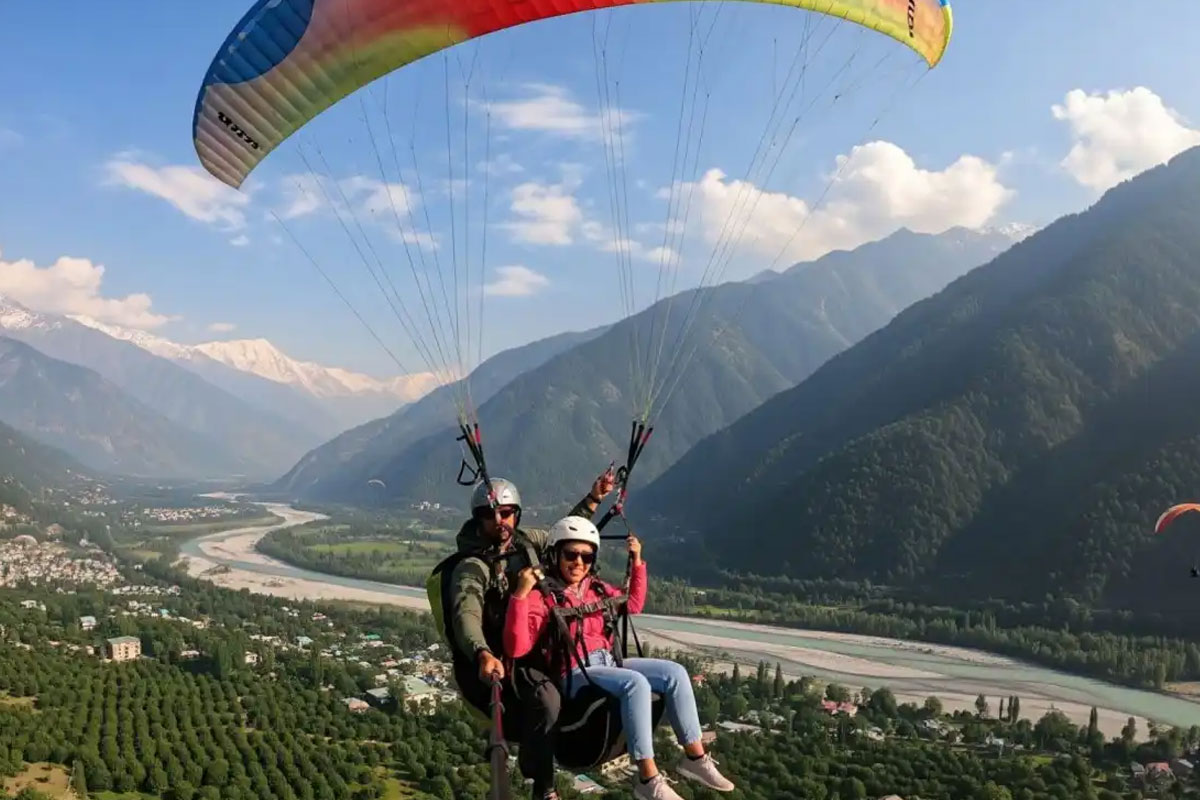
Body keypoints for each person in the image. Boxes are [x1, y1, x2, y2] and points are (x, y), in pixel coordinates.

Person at [505, 516, 735, 800]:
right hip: (574, 670)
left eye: (586, 556)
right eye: (571, 554)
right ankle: (647, 778)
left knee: (674, 673)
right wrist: (520, 594)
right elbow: (516, 648)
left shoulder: (597, 589)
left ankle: (694, 757)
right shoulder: (544, 598)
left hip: (608, 662)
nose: (579, 562)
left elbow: (634, 604)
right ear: (555, 554)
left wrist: (637, 561)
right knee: (635, 683)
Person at [446, 473, 614, 800]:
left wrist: (594, 498)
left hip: (549, 642)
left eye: (506, 513)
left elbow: (563, 533)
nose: (499, 521)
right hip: (514, 655)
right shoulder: (473, 566)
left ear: (516, 514)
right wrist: (481, 652)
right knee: (547, 700)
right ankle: (544, 787)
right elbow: (465, 613)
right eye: (489, 515)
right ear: (477, 520)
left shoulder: (527, 541)